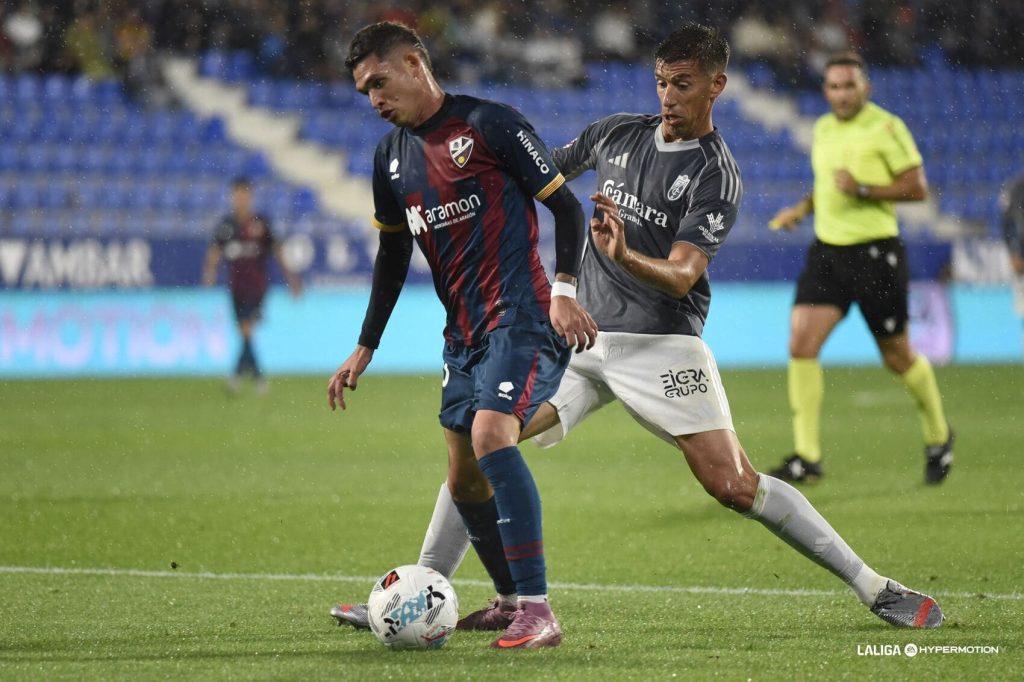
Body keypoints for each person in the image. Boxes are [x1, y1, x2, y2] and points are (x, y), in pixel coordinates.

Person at [332, 24, 944, 634]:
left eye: (682, 84)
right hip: (582, 341)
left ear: (716, 87)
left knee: (733, 484)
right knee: (478, 442)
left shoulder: (716, 173)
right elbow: (535, 175)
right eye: (661, 82)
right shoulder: (616, 134)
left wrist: (622, 256)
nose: (668, 96)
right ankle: (415, 596)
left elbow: (681, 276)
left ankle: (872, 585)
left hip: (662, 343)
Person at [329, 22, 597, 650]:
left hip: (522, 312)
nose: (373, 99)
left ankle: (540, 609)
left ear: (414, 63)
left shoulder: (489, 123)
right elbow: (391, 255)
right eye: (363, 90)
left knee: (490, 435)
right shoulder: (388, 159)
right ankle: (508, 600)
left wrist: (564, 291)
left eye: (379, 81)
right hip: (463, 332)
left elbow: (567, 207)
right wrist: (366, 344)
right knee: (464, 476)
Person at [767, 51, 953, 485]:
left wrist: (865, 189)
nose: (842, 94)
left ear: (865, 87)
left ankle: (938, 434)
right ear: (826, 90)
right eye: (834, 86)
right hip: (828, 253)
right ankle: (807, 456)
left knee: (897, 355)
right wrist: (802, 209)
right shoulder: (823, 128)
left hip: (875, 254)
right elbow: (826, 183)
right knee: (801, 344)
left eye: (849, 85)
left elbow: (917, 187)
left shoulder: (887, 127)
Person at [202, 177, 302, 394]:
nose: (240, 199)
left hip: (257, 288)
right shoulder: (226, 225)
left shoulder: (261, 223)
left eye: (244, 194)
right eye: (237, 194)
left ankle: (245, 378)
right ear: (232, 197)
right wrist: (209, 273)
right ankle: (250, 376)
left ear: (250, 196)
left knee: (247, 330)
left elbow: (278, 249)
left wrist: (291, 278)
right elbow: (215, 251)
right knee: (245, 333)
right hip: (236, 287)